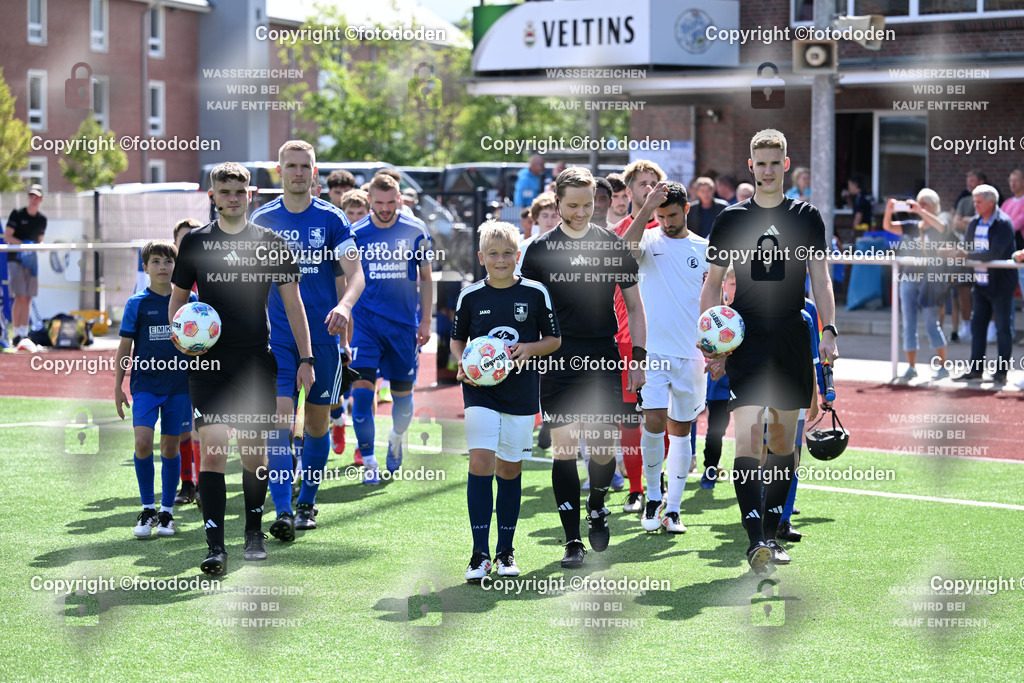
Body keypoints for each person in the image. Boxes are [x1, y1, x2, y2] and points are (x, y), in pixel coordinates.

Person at [699, 129, 838, 573]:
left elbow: (821, 278)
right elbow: (712, 285)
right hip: (747, 339)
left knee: (781, 443)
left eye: (775, 162)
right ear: (751, 166)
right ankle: (755, 538)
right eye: (760, 163)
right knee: (747, 437)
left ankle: (773, 533)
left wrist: (829, 330)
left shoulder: (806, 216)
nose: (768, 170)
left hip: (792, 336)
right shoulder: (732, 219)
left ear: (785, 164)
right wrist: (714, 345)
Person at [169, 162, 314, 575]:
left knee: (253, 453)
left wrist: (306, 359)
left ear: (250, 195)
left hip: (254, 362)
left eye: (239, 191)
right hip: (207, 362)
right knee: (214, 449)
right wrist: (180, 340)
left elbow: (294, 305)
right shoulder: (195, 242)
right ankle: (215, 546)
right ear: (212, 196)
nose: (232, 198)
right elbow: (177, 301)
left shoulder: (271, 243)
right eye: (225, 191)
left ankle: (253, 531)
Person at [520, 167, 646, 568]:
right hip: (556, 358)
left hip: (602, 357)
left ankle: (597, 504)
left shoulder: (611, 244)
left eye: (587, 205)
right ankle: (573, 540)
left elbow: (634, 306)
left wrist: (638, 358)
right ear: (557, 203)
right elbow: (525, 310)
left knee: (604, 448)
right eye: (572, 205)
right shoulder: (539, 250)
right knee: (565, 449)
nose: (580, 212)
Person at [251, 140, 364, 537]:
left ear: (314, 172)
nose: (298, 172)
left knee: (316, 426)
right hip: (277, 340)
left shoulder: (332, 218)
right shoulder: (262, 219)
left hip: (323, 339)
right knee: (279, 425)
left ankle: (306, 503)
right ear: (280, 171)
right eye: (291, 165)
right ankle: (283, 510)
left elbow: (356, 275)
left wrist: (345, 306)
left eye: (305, 166)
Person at [451, 221, 561, 581]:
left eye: (508, 253)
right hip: (479, 391)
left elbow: (554, 340)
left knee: (510, 468)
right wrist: (463, 364)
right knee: (481, 461)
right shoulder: (470, 296)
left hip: (521, 391)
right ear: (481, 257)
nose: (501, 259)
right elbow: (457, 340)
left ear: (518, 255)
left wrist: (530, 348)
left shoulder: (536, 293)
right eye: (494, 254)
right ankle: (479, 555)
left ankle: (505, 552)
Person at [622, 181, 708, 534]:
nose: (666, 222)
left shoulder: (704, 248)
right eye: (661, 216)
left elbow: (715, 302)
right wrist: (646, 209)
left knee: (681, 430)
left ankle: (674, 509)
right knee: (654, 421)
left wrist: (717, 350)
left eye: (672, 215)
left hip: (691, 354)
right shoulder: (647, 239)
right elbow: (623, 251)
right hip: (653, 351)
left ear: (686, 209)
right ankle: (653, 498)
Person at [349, 173, 433, 483]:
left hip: (402, 327)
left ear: (399, 199)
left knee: (402, 401)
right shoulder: (356, 233)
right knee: (361, 396)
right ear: (369, 200)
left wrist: (426, 320)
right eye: (379, 202)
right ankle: (369, 460)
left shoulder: (416, 230)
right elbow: (346, 279)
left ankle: (396, 437)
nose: (385, 208)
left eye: (390, 202)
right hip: (365, 326)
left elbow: (427, 277)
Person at [115, 240, 196, 538]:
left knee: (170, 448)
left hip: (179, 386)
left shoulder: (189, 301)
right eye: (156, 262)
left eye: (168, 261)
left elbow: (201, 342)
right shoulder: (136, 304)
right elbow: (124, 347)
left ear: (176, 266)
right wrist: (117, 386)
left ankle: (167, 513)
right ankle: (148, 509)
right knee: (142, 443)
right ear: (145, 267)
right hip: (146, 385)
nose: (163, 267)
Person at [609, 160, 666, 514]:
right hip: (627, 338)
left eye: (654, 183)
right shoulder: (617, 231)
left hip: (664, 339)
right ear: (628, 191)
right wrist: (646, 211)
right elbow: (625, 252)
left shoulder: (671, 228)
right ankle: (634, 488)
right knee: (629, 417)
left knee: (661, 416)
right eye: (642, 183)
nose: (649, 189)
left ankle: (658, 483)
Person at [882, 190, 951, 380]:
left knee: (931, 323)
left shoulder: (938, 224)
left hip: (930, 279)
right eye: (919, 203)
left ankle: (943, 365)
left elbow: (943, 228)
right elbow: (888, 226)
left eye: (925, 203)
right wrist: (889, 210)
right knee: (909, 324)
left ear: (933, 206)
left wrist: (921, 211)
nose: (921, 206)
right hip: (909, 277)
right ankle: (911, 366)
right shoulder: (913, 226)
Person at [951, 185, 1016, 382]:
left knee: (1003, 329)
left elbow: (994, 253)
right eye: (974, 201)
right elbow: (967, 248)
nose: (975, 205)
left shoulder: (1003, 223)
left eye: (979, 202)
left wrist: (966, 255)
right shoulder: (974, 222)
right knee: (977, 327)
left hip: (1001, 284)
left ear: (991, 202)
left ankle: (1001, 372)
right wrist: (957, 255)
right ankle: (976, 369)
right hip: (980, 283)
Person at [170, 218, 204, 506]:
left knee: (201, 422)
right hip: (176, 358)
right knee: (184, 422)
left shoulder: (209, 270)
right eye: (183, 239)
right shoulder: (168, 276)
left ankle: (202, 481)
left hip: (206, 356)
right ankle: (187, 482)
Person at [5, 184, 46, 345]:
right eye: (31, 197)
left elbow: (40, 241)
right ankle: (16, 334)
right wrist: (24, 245)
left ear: (41, 200)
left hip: (31, 262)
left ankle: (23, 333)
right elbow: (8, 237)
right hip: (16, 260)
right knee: (20, 296)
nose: (33, 200)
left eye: (37, 197)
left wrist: (36, 247)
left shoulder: (41, 220)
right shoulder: (17, 214)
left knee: (28, 298)